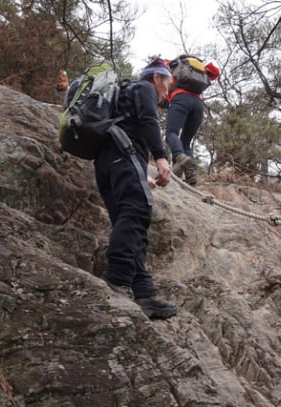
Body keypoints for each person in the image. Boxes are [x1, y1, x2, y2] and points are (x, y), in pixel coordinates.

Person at [94, 58, 177, 319]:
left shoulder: (124, 98)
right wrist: (161, 158)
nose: (168, 90)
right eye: (168, 83)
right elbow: (149, 120)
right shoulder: (143, 89)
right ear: (157, 78)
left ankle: (144, 292)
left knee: (131, 224)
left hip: (109, 164)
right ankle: (117, 279)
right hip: (122, 158)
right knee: (137, 211)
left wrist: (141, 174)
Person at [164, 56, 220, 185]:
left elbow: (160, 74)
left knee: (171, 133)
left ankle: (179, 158)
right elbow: (215, 73)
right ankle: (191, 174)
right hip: (198, 105)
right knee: (186, 142)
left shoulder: (173, 65)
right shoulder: (198, 69)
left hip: (180, 98)